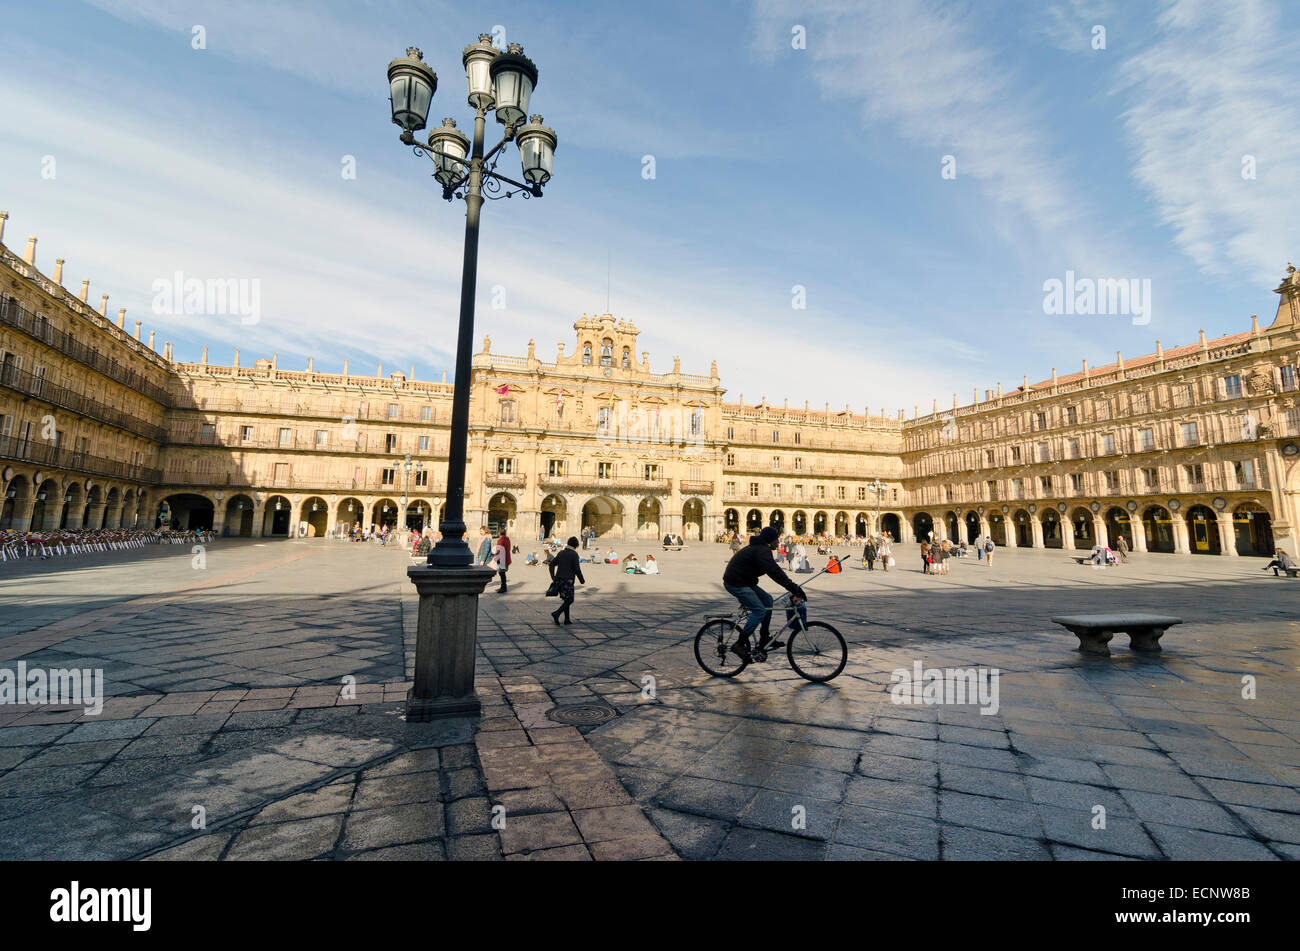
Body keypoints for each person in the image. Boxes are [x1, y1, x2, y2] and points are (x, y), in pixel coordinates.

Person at [722, 526, 806, 663]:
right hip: (736, 583)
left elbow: (775, 569)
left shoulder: (762, 549)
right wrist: (793, 587)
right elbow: (774, 572)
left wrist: (791, 586)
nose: (778, 543)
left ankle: (764, 637)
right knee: (759, 610)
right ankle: (739, 643)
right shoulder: (761, 551)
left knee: (768, 600)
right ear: (770, 540)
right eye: (776, 540)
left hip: (744, 581)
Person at [548, 536, 585, 625]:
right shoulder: (574, 554)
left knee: (566, 599)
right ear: (576, 545)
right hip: (568, 581)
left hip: (559, 580)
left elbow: (551, 564)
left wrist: (553, 577)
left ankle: (567, 619)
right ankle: (556, 613)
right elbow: (577, 569)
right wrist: (581, 579)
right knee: (570, 600)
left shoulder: (561, 553)